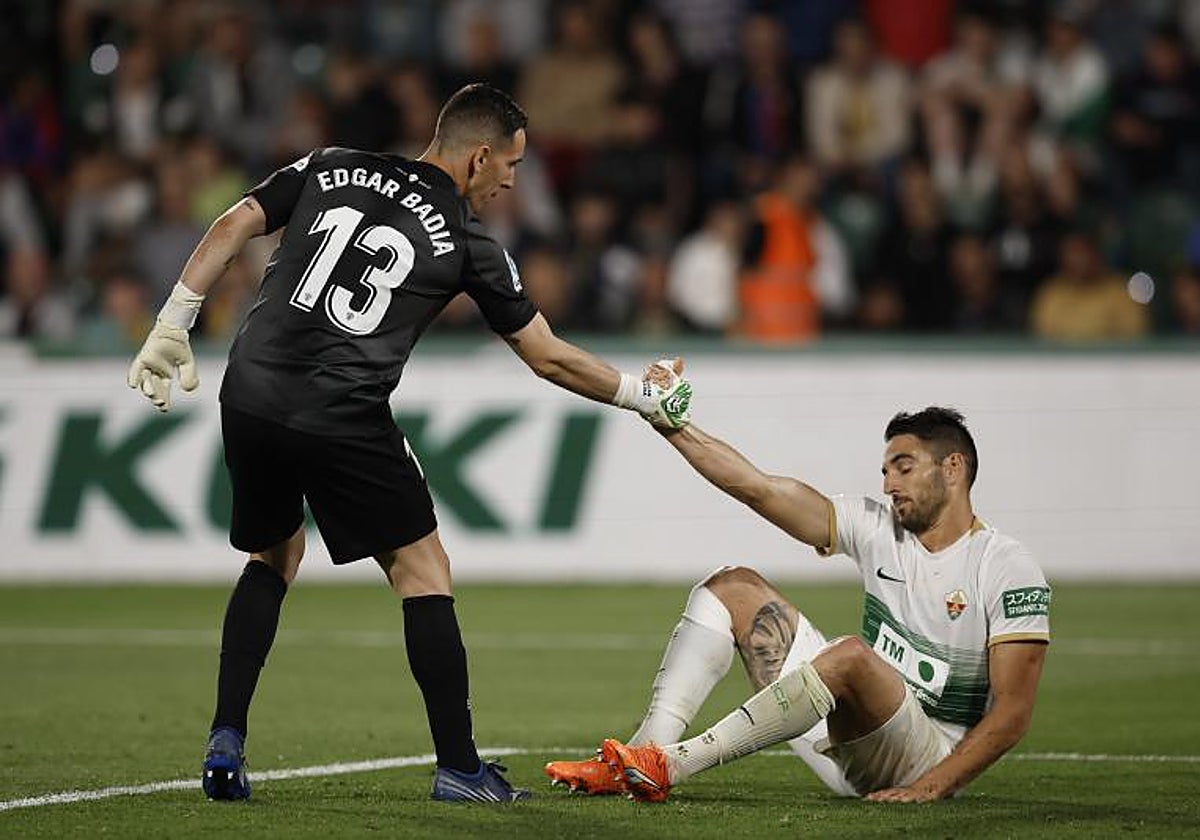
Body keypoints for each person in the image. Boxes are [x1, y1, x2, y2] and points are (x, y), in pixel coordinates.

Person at [125, 83, 691, 804]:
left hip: (252, 391)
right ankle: (459, 768)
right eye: (509, 165)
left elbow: (237, 220)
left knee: (273, 555)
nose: (511, 181)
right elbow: (546, 355)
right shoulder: (464, 239)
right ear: (479, 156)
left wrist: (173, 320)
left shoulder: (329, 166)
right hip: (340, 409)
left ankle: (225, 741)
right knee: (423, 569)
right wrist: (643, 397)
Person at [546, 402, 1050, 803]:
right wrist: (669, 423)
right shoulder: (880, 529)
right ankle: (638, 756)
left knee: (851, 655)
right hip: (851, 740)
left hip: (927, 757)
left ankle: (672, 765)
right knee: (733, 587)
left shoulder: (1004, 566)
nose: (888, 484)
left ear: (953, 468)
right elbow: (758, 489)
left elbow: (1013, 713)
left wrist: (930, 787)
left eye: (904, 467)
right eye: (885, 470)